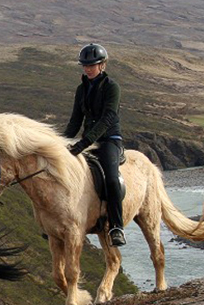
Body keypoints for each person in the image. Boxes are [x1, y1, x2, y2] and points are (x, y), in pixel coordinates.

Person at [64, 44, 127, 247]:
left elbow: (108, 118)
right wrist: (61, 143)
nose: (88, 69)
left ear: (102, 65)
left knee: (110, 177)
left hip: (109, 140)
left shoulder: (112, 87)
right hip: (87, 142)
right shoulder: (81, 90)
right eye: (85, 65)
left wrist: (85, 142)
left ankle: (116, 226)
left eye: (93, 65)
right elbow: (75, 121)